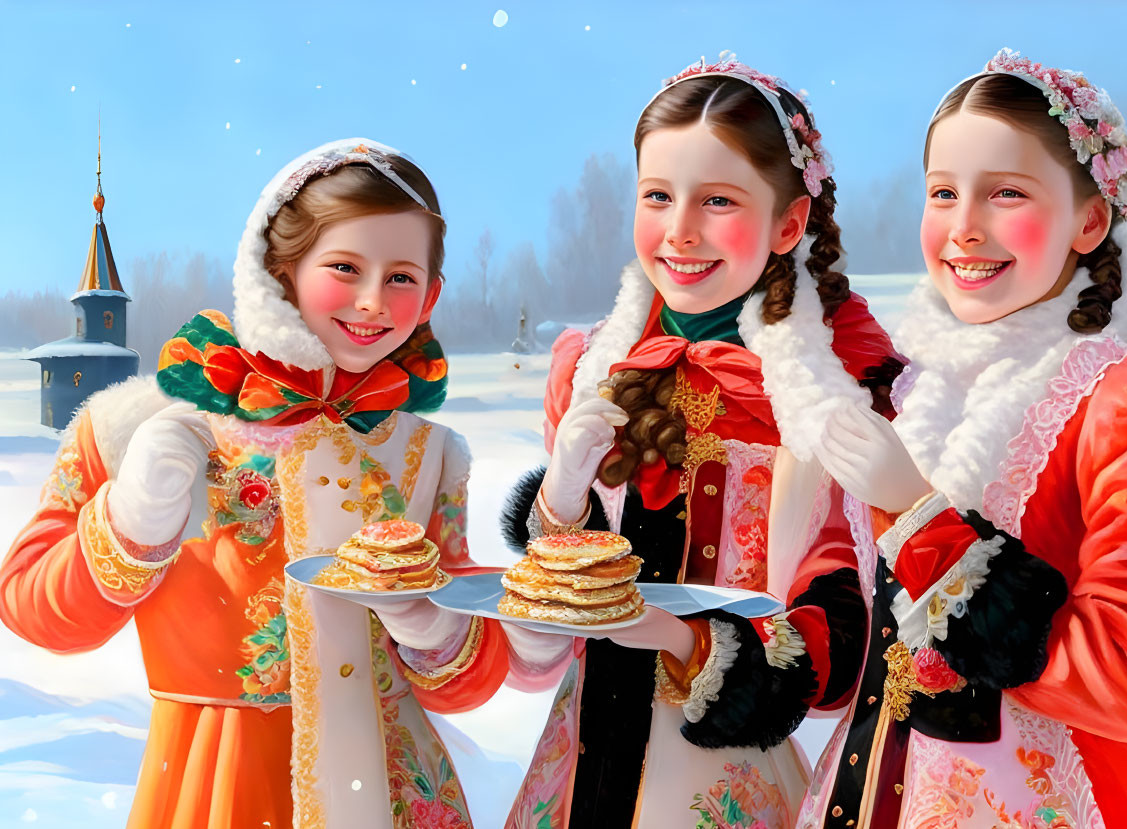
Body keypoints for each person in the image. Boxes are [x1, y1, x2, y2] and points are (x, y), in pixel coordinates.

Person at [798, 50, 1127, 828]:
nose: (962, 228)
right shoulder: (902, 393)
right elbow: (848, 631)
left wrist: (917, 514)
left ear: (1088, 219)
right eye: (942, 193)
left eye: (1005, 192)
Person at [0, 138, 501, 828]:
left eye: (400, 277)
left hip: (397, 791)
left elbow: (472, 677)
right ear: (277, 270)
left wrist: (432, 626)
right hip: (216, 785)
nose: (370, 300)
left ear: (432, 293)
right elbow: (30, 607)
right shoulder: (136, 426)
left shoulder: (431, 452)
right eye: (345, 267)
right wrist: (130, 521)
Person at [498, 55, 906, 829]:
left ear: (788, 224)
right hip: (577, 758)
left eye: (717, 200)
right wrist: (561, 499)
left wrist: (678, 638)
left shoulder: (832, 395)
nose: (679, 232)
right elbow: (546, 623)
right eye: (657, 196)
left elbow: (837, 640)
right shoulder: (590, 369)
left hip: (720, 774)